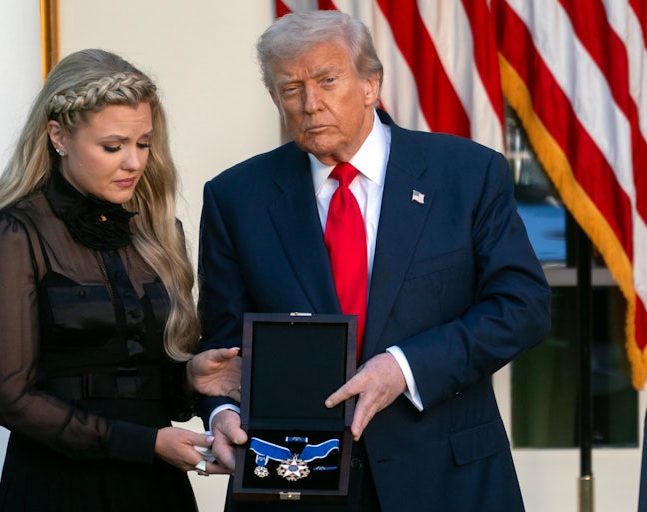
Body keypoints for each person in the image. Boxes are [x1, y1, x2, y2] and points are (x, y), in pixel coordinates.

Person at [196, 10, 551, 512]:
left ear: (370, 84)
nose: (310, 104)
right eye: (290, 89)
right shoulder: (236, 197)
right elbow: (223, 344)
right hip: (295, 483)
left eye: (327, 80)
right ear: (275, 99)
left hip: (445, 479)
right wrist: (222, 413)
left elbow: (523, 307)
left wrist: (404, 368)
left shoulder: (466, 174)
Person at [0, 49, 239, 511]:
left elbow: (155, 389)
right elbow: (11, 398)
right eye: (113, 146)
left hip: (154, 490)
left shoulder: (160, 232)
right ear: (58, 136)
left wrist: (189, 374)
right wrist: (144, 444)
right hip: (57, 487)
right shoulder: (16, 232)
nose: (133, 162)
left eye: (143, 143)